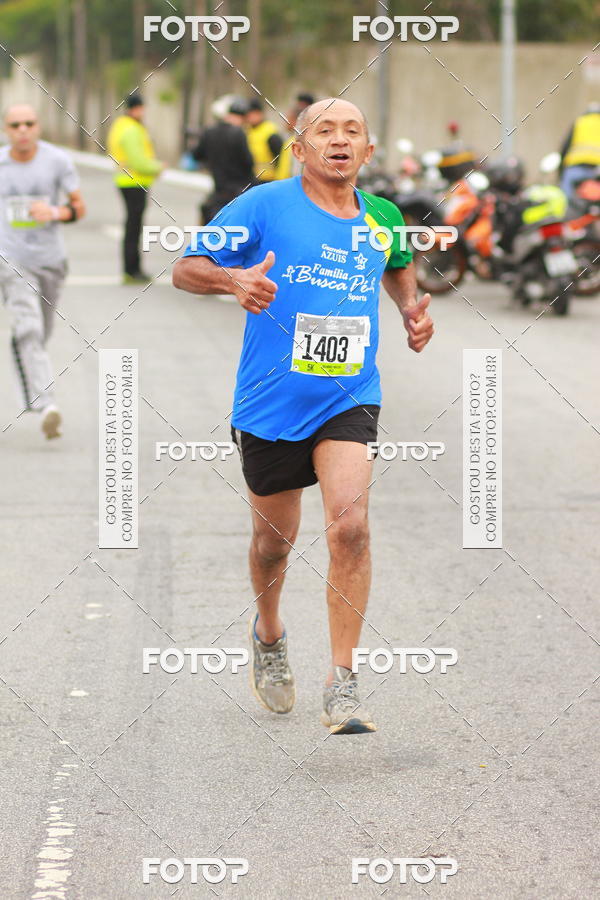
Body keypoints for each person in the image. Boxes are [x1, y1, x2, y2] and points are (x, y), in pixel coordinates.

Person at [173, 98, 434, 735]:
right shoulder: (264, 205)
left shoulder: (382, 216)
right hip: (270, 401)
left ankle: (342, 681)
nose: (338, 140)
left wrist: (409, 309)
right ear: (300, 148)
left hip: (348, 394)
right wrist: (235, 282)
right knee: (272, 542)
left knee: (351, 530)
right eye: (324, 131)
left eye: (352, 132)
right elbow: (184, 266)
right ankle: (268, 634)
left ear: (368, 152)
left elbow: (397, 267)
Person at [0, 104, 85, 439]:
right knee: (29, 328)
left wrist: (54, 212)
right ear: (7, 130)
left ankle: (34, 388)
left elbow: (78, 206)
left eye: (29, 124)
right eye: (15, 124)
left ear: (38, 127)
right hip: (10, 258)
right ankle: (47, 402)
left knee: (40, 332)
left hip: (50, 260)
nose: (22, 129)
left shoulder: (57, 160)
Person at [107, 93, 163, 284]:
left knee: (132, 226)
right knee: (133, 228)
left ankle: (132, 269)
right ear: (135, 109)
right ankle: (132, 270)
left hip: (125, 181)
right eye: (141, 108)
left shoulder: (120, 126)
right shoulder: (131, 130)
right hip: (134, 182)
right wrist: (157, 167)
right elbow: (137, 160)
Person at [192, 95, 255, 223]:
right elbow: (248, 163)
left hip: (218, 190)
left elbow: (196, 155)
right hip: (238, 192)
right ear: (242, 117)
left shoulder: (209, 131)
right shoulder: (239, 133)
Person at [559, 102, 600, 198]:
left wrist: (560, 172)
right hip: (597, 169)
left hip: (576, 168)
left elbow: (565, 147)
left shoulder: (579, 122)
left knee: (566, 197)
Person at [246, 99, 292, 183]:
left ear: (260, 113)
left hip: (270, 179)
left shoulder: (270, 132)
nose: (249, 117)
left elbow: (280, 159)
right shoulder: (248, 131)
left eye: (252, 114)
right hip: (254, 178)